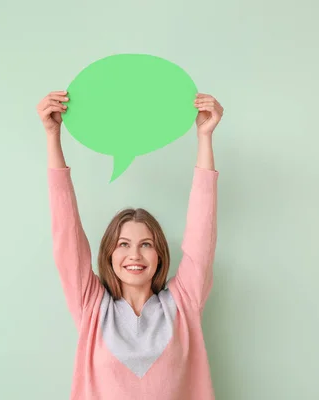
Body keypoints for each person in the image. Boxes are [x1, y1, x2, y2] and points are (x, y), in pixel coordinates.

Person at [36, 90, 223, 400]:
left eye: (146, 244)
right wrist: (53, 136)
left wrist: (205, 138)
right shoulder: (92, 308)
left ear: (160, 255)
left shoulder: (184, 303)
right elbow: (66, 235)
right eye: (123, 243)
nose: (134, 254)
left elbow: (203, 234)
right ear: (109, 254)